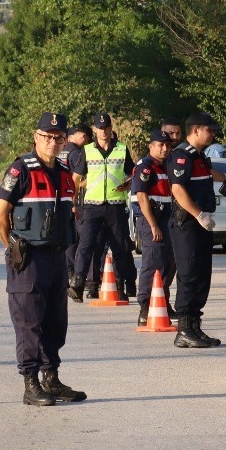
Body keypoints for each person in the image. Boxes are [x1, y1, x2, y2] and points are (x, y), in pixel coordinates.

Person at [0, 112, 86, 406]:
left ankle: (51, 378)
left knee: (55, 322)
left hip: (57, 258)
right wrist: (13, 249)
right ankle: (30, 383)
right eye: (47, 137)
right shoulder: (21, 170)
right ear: (36, 137)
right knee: (28, 322)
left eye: (59, 138)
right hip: (28, 260)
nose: (53, 142)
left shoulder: (63, 173)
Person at [167, 112, 225, 349]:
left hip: (201, 223)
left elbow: (212, 179)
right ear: (196, 130)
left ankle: (195, 327)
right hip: (187, 223)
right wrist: (198, 215)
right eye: (209, 130)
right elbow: (178, 190)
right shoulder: (182, 156)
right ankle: (183, 330)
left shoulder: (201, 157)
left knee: (202, 274)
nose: (212, 134)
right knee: (189, 274)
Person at [70, 112, 137, 303]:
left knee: (121, 247)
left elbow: (132, 174)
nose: (103, 131)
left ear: (111, 128)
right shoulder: (87, 150)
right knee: (86, 245)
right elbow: (75, 179)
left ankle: (121, 285)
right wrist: (73, 203)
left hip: (115, 206)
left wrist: (129, 183)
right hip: (92, 205)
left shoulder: (121, 149)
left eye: (106, 127)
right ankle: (78, 283)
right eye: (100, 128)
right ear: (94, 129)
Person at [131, 129, 176, 326]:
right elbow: (141, 197)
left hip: (167, 219)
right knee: (152, 262)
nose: (165, 148)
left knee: (169, 262)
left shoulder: (167, 166)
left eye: (167, 145)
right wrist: (153, 225)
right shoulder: (146, 166)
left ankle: (162, 302)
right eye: (160, 145)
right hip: (151, 219)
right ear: (151, 146)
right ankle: (144, 307)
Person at [61, 124, 92, 284]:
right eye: (84, 135)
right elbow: (78, 180)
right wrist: (93, 178)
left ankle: (69, 272)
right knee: (80, 240)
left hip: (61, 198)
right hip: (75, 199)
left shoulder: (61, 151)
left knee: (68, 237)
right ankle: (77, 274)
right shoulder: (76, 153)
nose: (86, 139)